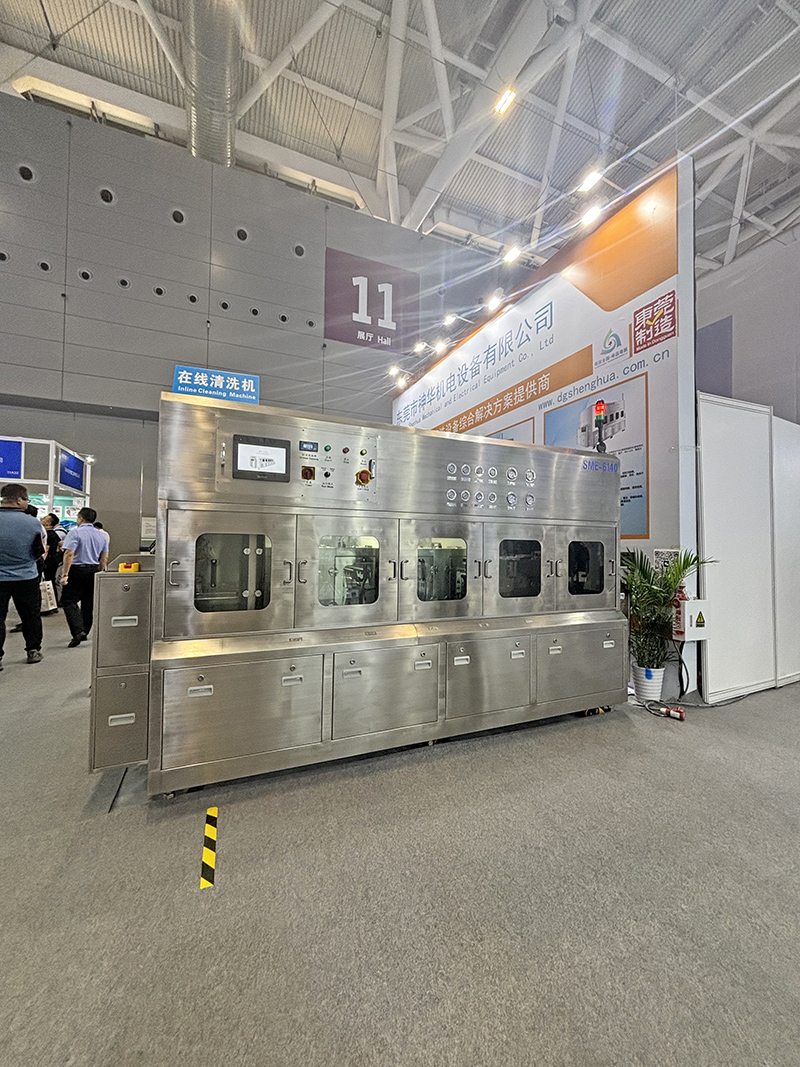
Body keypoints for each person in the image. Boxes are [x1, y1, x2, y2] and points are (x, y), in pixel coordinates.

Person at [0, 483, 45, 669]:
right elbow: (38, 551)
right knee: (30, 616)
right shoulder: (33, 523)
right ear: (19, 500)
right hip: (26, 576)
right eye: (27, 499)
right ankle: (33, 650)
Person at [61, 506, 109, 647]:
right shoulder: (102, 535)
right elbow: (104, 557)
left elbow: (69, 553)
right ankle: (85, 631)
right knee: (88, 602)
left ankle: (78, 630)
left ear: (81, 518)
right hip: (93, 569)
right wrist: (100, 571)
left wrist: (65, 574)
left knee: (68, 600)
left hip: (77, 569)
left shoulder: (75, 532)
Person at [41, 513, 64, 614]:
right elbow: (61, 544)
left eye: (44, 518)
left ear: (48, 523)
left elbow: (46, 549)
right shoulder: (54, 533)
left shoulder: (48, 534)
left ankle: (50, 605)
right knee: (52, 582)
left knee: (48, 582)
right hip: (54, 560)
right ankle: (54, 604)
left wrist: (42, 562)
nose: (41, 519)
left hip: (48, 561)